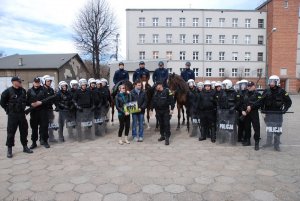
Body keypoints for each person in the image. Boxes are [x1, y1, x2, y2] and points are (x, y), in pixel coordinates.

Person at [253, 75, 292, 151]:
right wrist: (262, 108)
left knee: (277, 130)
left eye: (272, 82)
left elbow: (289, 102)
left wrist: (285, 109)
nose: (271, 83)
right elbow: (261, 101)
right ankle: (268, 142)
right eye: (270, 81)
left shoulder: (282, 91)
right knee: (269, 129)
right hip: (269, 114)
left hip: (278, 114)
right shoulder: (266, 91)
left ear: (277, 82)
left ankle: (276, 145)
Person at [1, 76, 33, 158]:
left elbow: (25, 101)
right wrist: (7, 109)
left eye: (20, 81)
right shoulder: (7, 91)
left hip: (22, 114)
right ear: (14, 82)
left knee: (24, 131)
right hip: (13, 115)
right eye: (19, 81)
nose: (20, 82)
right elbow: (2, 102)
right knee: (11, 132)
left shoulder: (23, 90)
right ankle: (9, 149)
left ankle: (25, 147)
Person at [27, 77, 51, 149]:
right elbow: (26, 101)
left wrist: (41, 102)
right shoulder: (29, 91)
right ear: (33, 82)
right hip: (34, 112)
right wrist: (31, 104)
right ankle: (34, 143)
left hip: (43, 111)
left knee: (44, 127)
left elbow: (48, 100)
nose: (37, 83)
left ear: (40, 82)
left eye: (38, 82)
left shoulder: (44, 90)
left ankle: (45, 141)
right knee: (34, 128)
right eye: (35, 82)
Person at [240, 81, 261, 150]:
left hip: (254, 113)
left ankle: (256, 143)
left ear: (254, 86)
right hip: (246, 114)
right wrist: (242, 110)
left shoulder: (257, 94)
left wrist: (252, 107)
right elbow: (242, 103)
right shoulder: (245, 94)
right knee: (247, 128)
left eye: (250, 86)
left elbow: (259, 104)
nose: (249, 87)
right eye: (248, 86)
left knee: (256, 128)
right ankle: (248, 141)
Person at [42, 75, 58, 143]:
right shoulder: (41, 90)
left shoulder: (51, 90)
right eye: (48, 81)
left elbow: (54, 99)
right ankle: (42, 139)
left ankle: (51, 137)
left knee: (51, 124)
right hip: (43, 110)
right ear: (44, 81)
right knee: (43, 125)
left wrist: (57, 106)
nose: (49, 82)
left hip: (50, 110)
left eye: (50, 81)